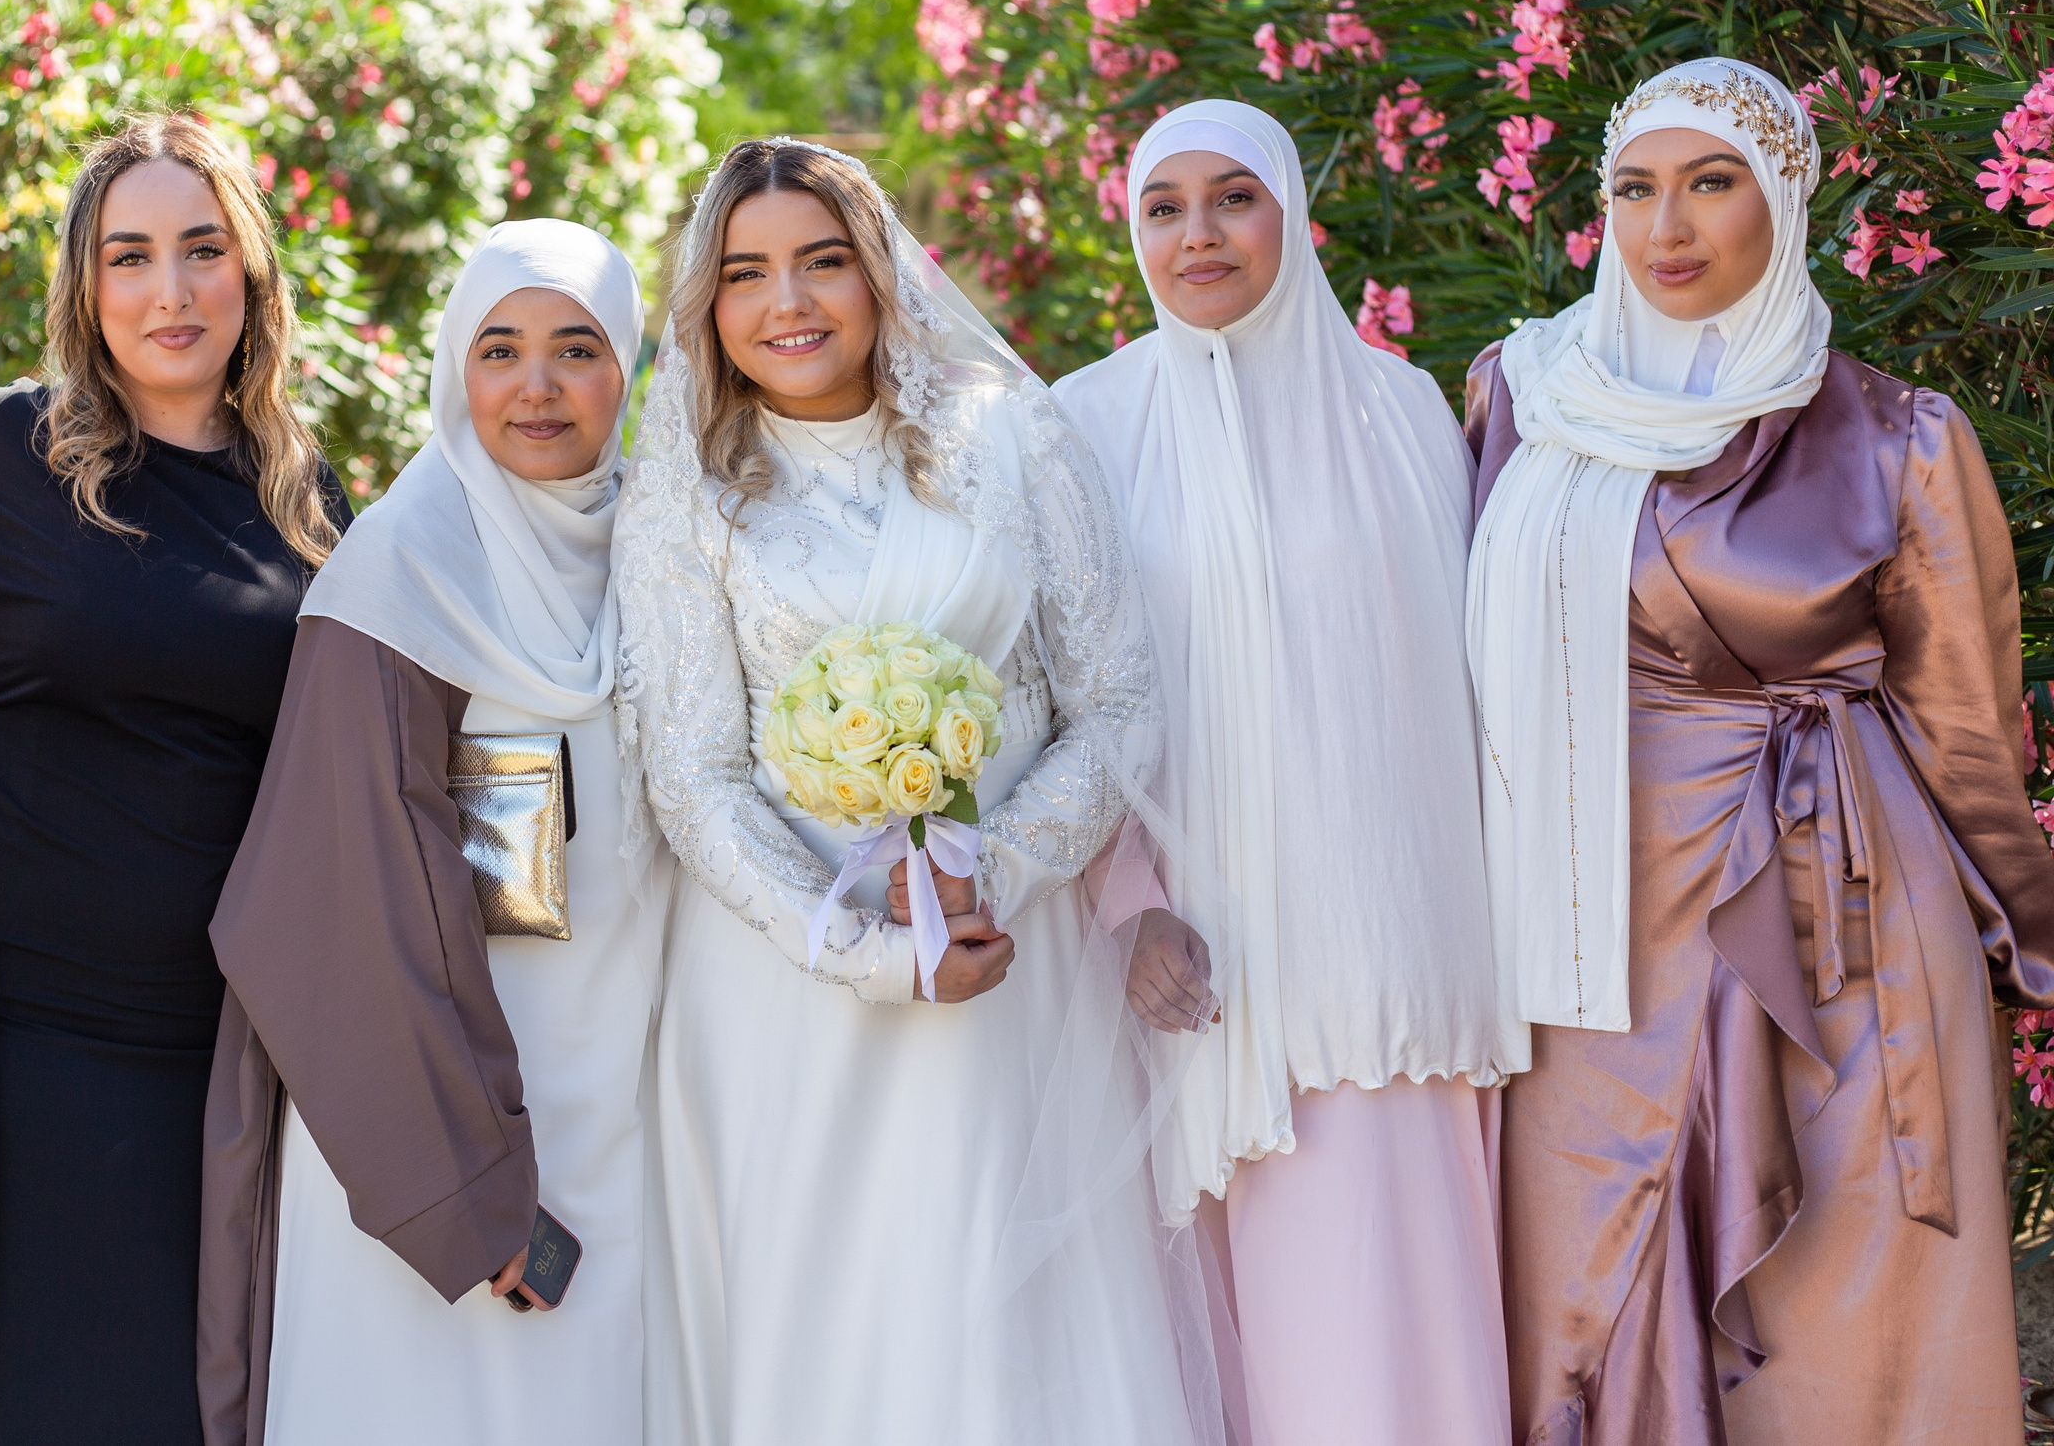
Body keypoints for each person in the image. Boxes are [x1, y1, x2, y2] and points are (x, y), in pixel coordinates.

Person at [1468, 57, 2054, 1444]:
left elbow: (1970, 728)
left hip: (1837, 915)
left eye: (1711, 182)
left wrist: (2031, 944)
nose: (1666, 225)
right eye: (1633, 187)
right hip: (1579, 928)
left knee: (1828, 1314)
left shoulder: (1897, 436)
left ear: (1783, 201)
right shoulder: (1520, 398)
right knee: (1572, 1270)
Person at [613, 137, 1214, 1446]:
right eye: (746, 273)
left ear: (880, 274)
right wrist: (860, 940)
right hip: (789, 985)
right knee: (830, 1333)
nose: (788, 303)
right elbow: (695, 776)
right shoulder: (687, 490)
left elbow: (1116, 698)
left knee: (1010, 1334)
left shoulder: (1012, 434)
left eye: (823, 262)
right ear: (708, 301)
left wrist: (984, 870)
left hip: (1004, 958)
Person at [0, 114, 345, 1446]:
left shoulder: (309, 501)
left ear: (252, 271)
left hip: (225, 1065)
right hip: (14, 1053)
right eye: (129, 255)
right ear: (85, 285)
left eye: (204, 249)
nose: (169, 291)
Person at [1053, 100, 1515, 1444]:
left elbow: (1468, 684)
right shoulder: (1085, 426)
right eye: (1164, 207)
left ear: (1292, 213)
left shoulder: (1399, 409)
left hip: (1391, 971)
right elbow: (1054, 694)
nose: (1198, 234)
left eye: (1233, 198)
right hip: (1195, 968)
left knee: (1388, 1343)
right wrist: (1125, 901)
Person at [195, 219, 670, 1443]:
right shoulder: (401, 569)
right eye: (499, 349)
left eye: (577, 349)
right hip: (438, 1126)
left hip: (622, 1090)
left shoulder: (664, 549)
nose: (537, 385)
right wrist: (468, 1188)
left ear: (628, 365)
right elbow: (337, 899)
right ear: (458, 368)